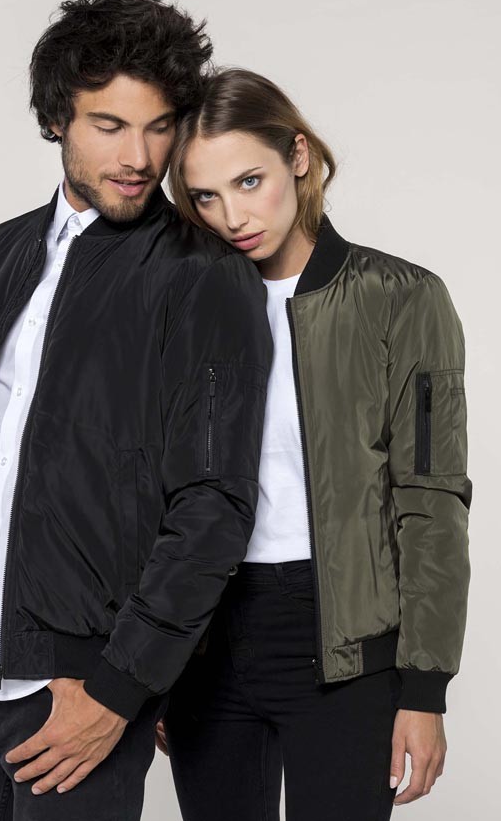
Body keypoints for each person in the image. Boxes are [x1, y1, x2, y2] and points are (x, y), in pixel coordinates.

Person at [0, 0, 273, 821]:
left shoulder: (205, 277)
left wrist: (120, 687)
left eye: (160, 127)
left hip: (78, 689)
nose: (139, 156)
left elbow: (214, 505)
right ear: (57, 118)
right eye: (109, 125)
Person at [159, 67, 472, 821]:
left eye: (249, 181)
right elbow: (150, 491)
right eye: (205, 196)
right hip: (205, 636)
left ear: (298, 156)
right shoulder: (184, 309)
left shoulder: (402, 298)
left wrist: (425, 689)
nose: (233, 215)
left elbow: (433, 500)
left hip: (346, 647)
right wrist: (150, 659)